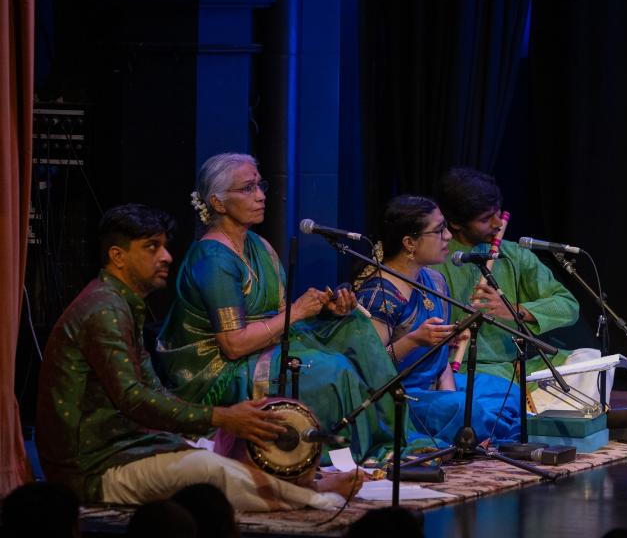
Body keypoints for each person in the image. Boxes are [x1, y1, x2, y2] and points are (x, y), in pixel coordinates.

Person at [36, 204, 358, 511]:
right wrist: (220, 417)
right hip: (91, 470)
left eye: (164, 245)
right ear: (117, 256)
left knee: (209, 452)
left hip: (123, 450)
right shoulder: (105, 309)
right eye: (152, 247)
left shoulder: (120, 304)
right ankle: (312, 497)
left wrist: (213, 424)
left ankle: (298, 489)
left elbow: (150, 388)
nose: (166, 256)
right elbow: (133, 399)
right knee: (206, 470)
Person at [156, 153, 429, 462]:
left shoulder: (260, 246)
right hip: (222, 371)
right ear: (218, 203)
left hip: (266, 345)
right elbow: (233, 345)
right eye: (247, 189)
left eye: (260, 186)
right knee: (332, 369)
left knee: (355, 327)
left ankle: (396, 439)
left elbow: (281, 316)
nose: (260, 196)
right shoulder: (213, 259)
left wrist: (327, 311)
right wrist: (299, 311)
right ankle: (349, 453)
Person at [355, 195, 521, 444]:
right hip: (401, 397)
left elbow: (442, 358)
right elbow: (369, 369)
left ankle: (470, 432)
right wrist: (413, 341)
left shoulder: (434, 281)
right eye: (439, 230)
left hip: (435, 388)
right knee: (469, 412)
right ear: (410, 242)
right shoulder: (380, 293)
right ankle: (469, 434)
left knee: (508, 393)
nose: (448, 237)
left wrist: (449, 392)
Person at [432, 168, 580, 383]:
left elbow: (568, 305)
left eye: (498, 211)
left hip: (518, 368)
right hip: (462, 371)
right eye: (485, 219)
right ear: (455, 223)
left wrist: (515, 311)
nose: (498, 223)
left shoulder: (514, 254)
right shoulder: (435, 261)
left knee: (588, 361)